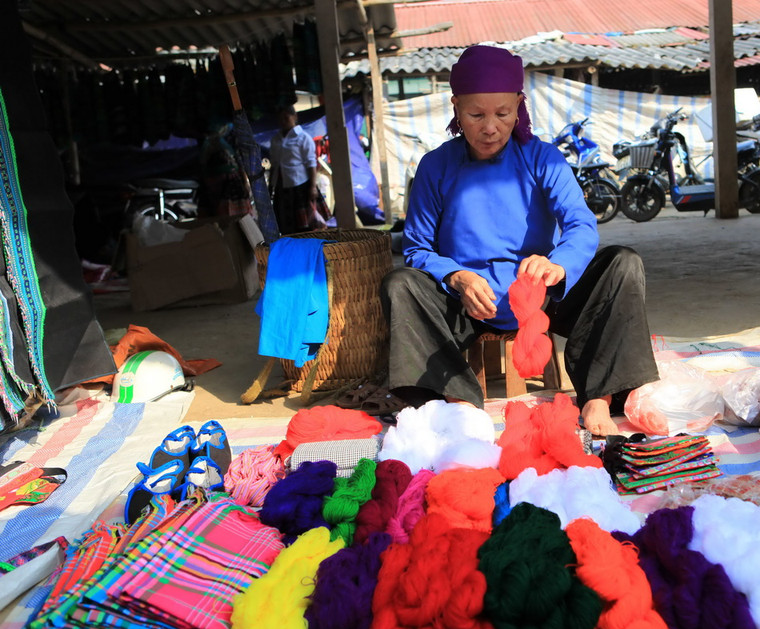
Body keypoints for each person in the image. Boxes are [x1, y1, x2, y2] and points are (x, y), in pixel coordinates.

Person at [380, 45, 659, 436]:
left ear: (519, 106)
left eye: (502, 113)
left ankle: (599, 396)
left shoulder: (542, 158)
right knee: (399, 284)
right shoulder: (435, 167)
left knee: (623, 263)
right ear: (456, 107)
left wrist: (557, 264)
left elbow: (580, 224)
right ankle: (458, 401)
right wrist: (457, 277)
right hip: (465, 306)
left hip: (538, 300)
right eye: (476, 114)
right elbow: (417, 249)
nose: (490, 127)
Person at [269, 104, 321, 234]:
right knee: (284, 222)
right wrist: (271, 185)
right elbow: (274, 165)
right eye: (280, 119)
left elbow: (311, 163)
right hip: (281, 186)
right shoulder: (275, 140)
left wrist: (313, 187)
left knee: (303, 224)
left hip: (300, 185)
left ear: (295, 117)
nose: (283, 122)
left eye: (286, 118)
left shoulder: (303, 138)